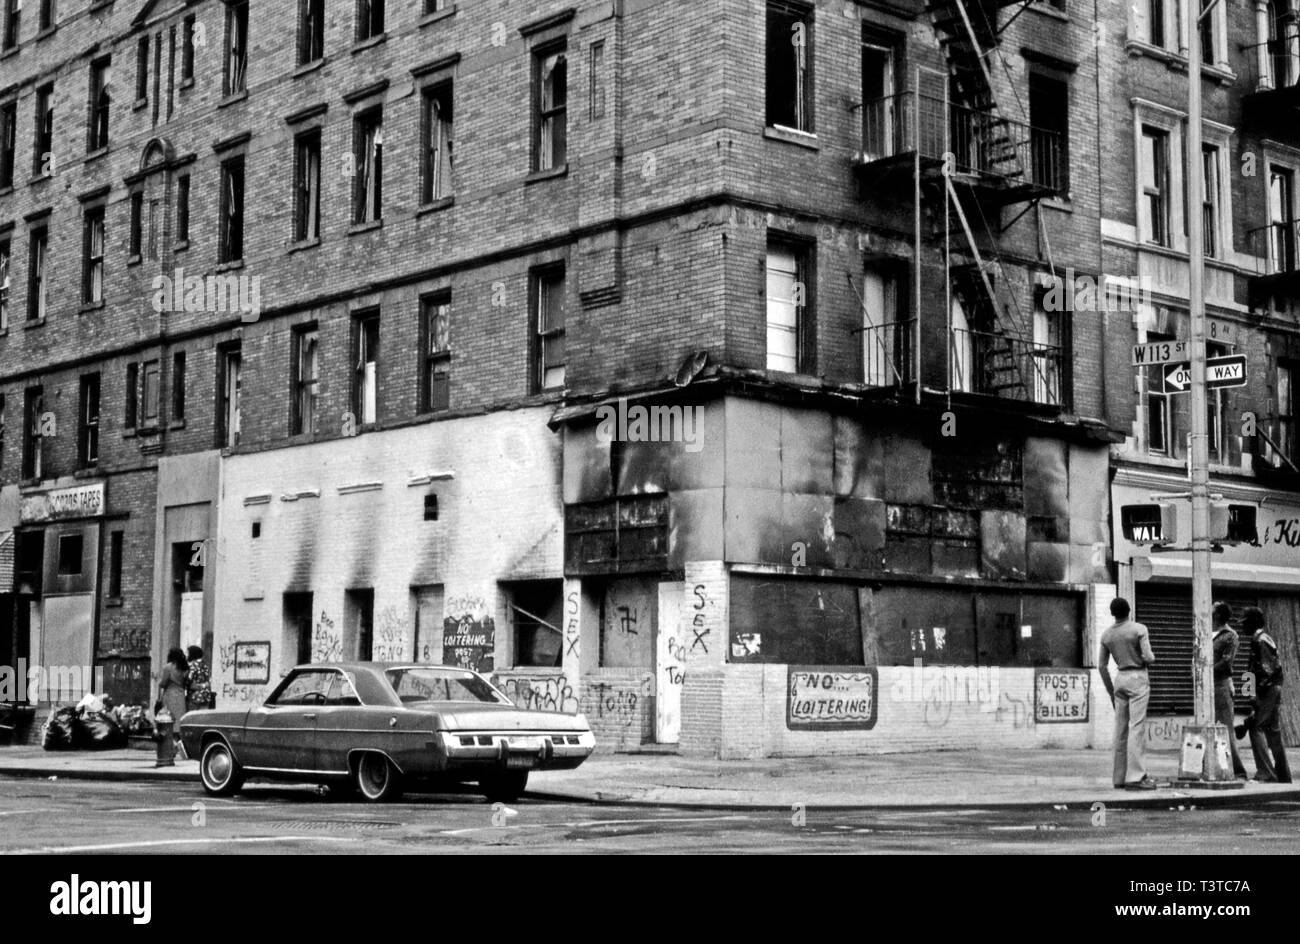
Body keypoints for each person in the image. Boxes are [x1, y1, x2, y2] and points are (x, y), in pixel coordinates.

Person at [1099, 597, 1158, 789]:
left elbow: (1101, 666)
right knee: (1137, 727)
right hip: (1137, 677)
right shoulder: (1139, 629)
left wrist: (1110, 690)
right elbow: (1149, 657)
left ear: (1112, 613)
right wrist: (1145, 657)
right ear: (1129, 610)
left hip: (1119, 679)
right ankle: (1136, 777)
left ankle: (1119, 777)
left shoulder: (1107, 635)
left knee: (1121, 730)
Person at [1239, 607, 1292, 783]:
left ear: (1253, 622)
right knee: (1273, 731)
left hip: (1268, 690)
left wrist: (1255, 696)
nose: (1242, 627)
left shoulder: (1260, 641)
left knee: (1256, 728)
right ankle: (1283, 775)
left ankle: (1266, 773)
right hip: (1270, 689)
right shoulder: (1260, 639)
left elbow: (1267, 671)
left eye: (1245, 623)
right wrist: (1249, 694)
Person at [1211, 602, 1249, 779]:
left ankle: (1238, 771)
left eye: (1213, 608)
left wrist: (1205, 671)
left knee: (1225, 728)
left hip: (1220, 684)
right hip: (1208, 687)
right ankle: (1217, 767)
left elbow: (1227, 662)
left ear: (1218, 615)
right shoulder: (1207, 632)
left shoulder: (1230, 636)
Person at [156, 648, 189, 759]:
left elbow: (163, 683)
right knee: (178, 723)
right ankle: (178, 746)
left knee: (168, 722)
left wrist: (159, 683)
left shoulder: (168, 667)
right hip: (180, 695)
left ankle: (171, 747)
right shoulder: (184, 667)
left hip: (170, 695)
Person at [186, 645, 215, 712]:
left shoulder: (192, 666)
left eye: (188, 653)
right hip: (206, 696)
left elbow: (189, 680)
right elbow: (208, 679)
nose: (187, 655)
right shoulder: (205, 665)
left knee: (192, 718)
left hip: (194, 697)